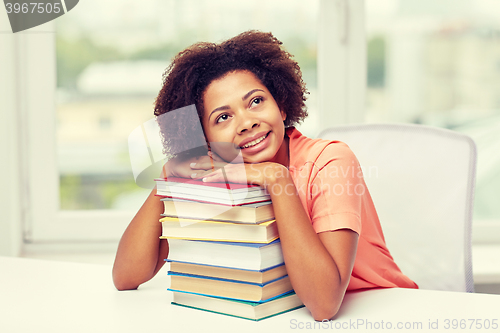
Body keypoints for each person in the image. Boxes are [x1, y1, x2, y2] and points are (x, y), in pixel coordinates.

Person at [112, 30, 417, 321]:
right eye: (223, 117)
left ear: (282, 106)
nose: (246, 123)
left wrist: (275, 177)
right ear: (205, 139)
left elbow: (324, 304)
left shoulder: (331, 161)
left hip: (384, 310)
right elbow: (125, 277)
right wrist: (168, 180)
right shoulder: (218, 173)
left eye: (256, 101)